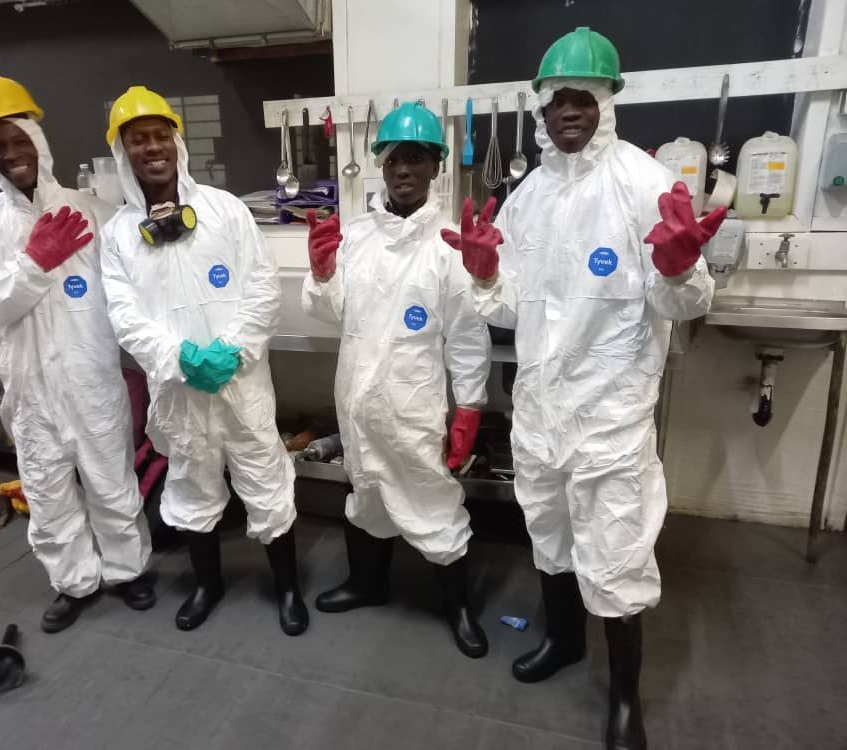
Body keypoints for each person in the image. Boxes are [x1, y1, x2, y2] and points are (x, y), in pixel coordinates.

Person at [442, 28, 727, 749]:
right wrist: (482, 275)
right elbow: (508, 307)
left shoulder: (645, 184)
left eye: (582, 97)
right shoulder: (528, 197)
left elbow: (682, 306)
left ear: (607, 102)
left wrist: (678, 269)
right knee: (550, 532)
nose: (568, 110)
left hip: (610, 413)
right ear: (541, 110)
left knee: (618, 549)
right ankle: (565, 642)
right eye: (556, 99)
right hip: (540, 411)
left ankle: (625, 699)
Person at [99, 86, 308, 637]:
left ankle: (287, 587)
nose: (151, 148)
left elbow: (263, 288)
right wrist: (178, 357)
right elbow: (123, 314)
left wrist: (232, 348)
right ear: (124, 154)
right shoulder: (118, 235)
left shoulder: (225, 210)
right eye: (137, 140)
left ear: (176, 141)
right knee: (191, 487)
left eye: (159, 135)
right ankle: (206, 585)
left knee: (266, 481)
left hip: (240, 386)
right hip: (179, 392)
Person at [0, 74, 154, 633]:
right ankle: (73, 582)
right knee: (48, 490)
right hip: (32, 388)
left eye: (19, 141)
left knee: (112, 481)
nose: (12, 154)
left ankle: (128, 570)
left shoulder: (92, 211)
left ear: (39, 143)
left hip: (91, 377)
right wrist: (34, 263)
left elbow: (131, 284)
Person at [303, 102, 492, 658]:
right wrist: (321, 274)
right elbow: (330, 311)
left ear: (435, 166)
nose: (403, 170)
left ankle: (457, 607)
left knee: (433, 501)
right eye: (394, 159)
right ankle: (367, 583)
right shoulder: (357, 237)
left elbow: (466, 335)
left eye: (416, 158)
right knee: (364, 492)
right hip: (356, 400)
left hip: (413, 403)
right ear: (380, 167)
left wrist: (470, 407)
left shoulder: (450, 244)